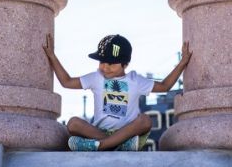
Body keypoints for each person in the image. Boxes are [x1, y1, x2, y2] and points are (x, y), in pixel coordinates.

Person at [43, 33, 192, 151]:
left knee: (145, 120)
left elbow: (165, 86)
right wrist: (51, 56)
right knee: (73, 123)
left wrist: (183, 62)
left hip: (127, 133)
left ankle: (101, 146)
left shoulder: (135, 80)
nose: (105, 67)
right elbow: (67, 82)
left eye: (111, 63)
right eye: (102, 62)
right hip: (100, 132)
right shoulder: (96, 78)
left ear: (125, 64)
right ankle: (115, 145)